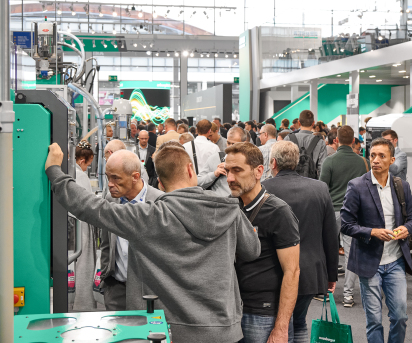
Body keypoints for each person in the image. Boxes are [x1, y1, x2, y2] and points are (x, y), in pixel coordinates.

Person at [45, 142, 261, 341]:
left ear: (159, 180)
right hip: (224, 331)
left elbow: (91, 207)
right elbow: (252, 251)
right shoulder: (230, 210)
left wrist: (55, 172)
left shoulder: (149, 216)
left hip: (168, 331)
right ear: (190, 170)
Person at [341, 137, 412, 342]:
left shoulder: (401, 186)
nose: (375, 160)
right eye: (372, 155)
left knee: (400, 316)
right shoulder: (357, 186)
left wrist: (405, 229)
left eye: (381, 156)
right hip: (369, 261)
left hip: (395, 262)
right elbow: (346, 224)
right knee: (374, 319)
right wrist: (372, 232)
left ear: (392, 160)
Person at [223, 142, 300, 343]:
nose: (230, 178)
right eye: (228, 171)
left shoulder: (278, 211)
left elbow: (292, 271)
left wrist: (281, 328)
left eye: (237, 171)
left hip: (263, 315)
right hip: (230, 311)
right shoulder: (229, 206)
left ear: (258, 171)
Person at [263, 141, 338, 343]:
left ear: (273, 163)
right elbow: (331, 235)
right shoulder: (320, 189)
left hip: (274, 270)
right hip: (310, 271)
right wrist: (332, 275)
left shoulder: (262, 189)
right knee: (299, 321)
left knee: (280, 324)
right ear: (296, 162)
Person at [99, 150, 164, 311]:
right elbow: (106, 242)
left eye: (116, 178)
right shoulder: (110, 200)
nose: (110, 184)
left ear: (135, 177)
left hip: (150, 291)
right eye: (108, 177)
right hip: (116, 290)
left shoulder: (160, 202)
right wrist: (106, 276)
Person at [320, 126, 369, 308]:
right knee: (350, 254)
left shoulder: (329, 162)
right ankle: (348, 295)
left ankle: (326, 290)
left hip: (331, 212)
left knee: (327, 251)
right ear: (353, 141)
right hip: (353, 213)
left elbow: (322, 189)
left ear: (337, 140)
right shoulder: (363, 162)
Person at [72, 141, 97, 311]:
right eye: (88, 164)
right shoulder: (80, 175)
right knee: (85, 264)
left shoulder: (68, 171)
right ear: (82, 161)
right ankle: (83, 303)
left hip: (71, 224)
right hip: (82, 224)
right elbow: (90, 203)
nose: (87, 167)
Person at [198, 126, 247, 197]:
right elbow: (198, 182)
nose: (230, 147)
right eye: (228, 143)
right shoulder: (215, 158)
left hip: (241, 205)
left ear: (244, 144)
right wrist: (214, 174)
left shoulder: (250, 161)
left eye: (234, 144)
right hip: (218, 204)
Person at [284, 110, 328, 179]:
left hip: (291, 182)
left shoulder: (288, 139)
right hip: (312, 183)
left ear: (299, 122)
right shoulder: (320, 142)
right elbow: (322, 168)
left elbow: (283, 164)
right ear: (313, 123)